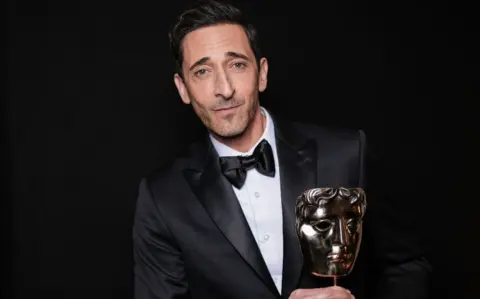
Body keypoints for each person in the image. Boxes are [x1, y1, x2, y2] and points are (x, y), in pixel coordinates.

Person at [132, 0, 432, 298]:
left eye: (236, 65)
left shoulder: (348, 153)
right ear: (183, 88)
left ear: (261, 74)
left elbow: (405, 266)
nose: (224, 89)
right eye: (202, 72)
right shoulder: (163, 197)